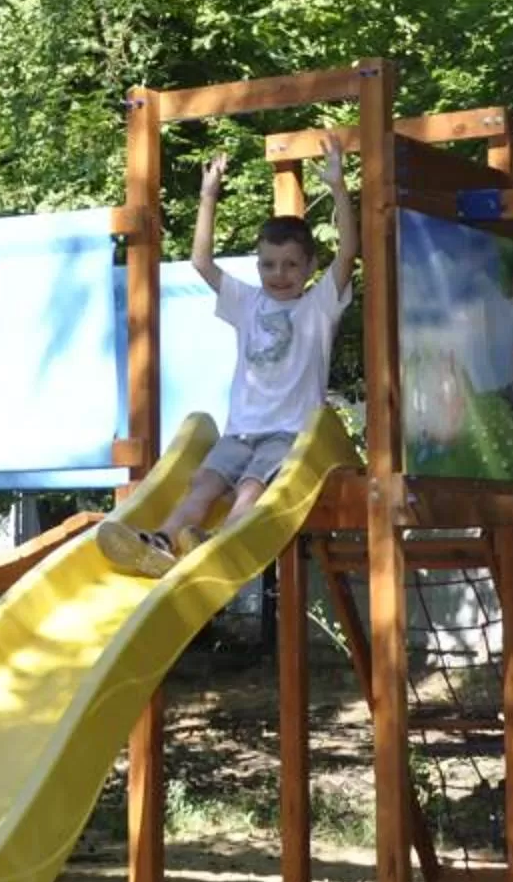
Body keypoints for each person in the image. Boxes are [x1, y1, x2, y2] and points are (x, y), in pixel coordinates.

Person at [97, 132, 357, 576]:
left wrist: (337, 186)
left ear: (310, 267)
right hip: (238, 432)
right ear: (258, 266)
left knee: (252, 487)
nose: (279, 274)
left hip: (287, 435)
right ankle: (162, 542)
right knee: (203, 484)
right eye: (269, 264)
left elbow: (349, 251)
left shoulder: (318, 306)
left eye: (291, 265)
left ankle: (220, 544)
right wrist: (208, 197)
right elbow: (201, 262)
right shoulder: (248, 302)